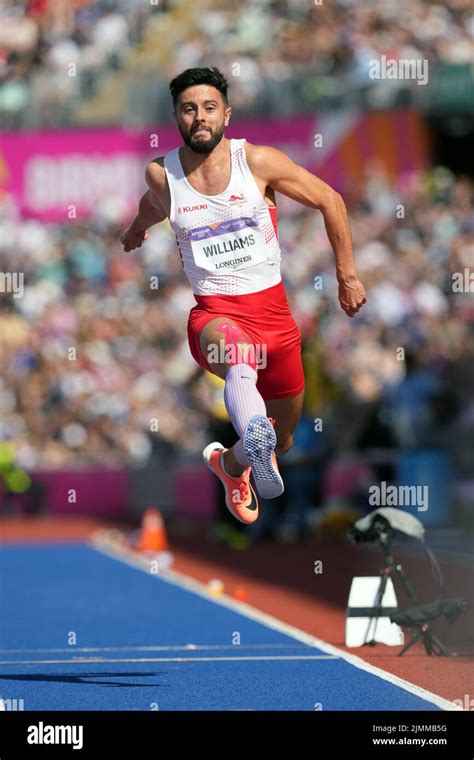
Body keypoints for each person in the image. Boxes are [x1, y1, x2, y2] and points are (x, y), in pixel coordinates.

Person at [120, 66, 366, 525]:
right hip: (214, 315)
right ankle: (252, 435)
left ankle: (231, 464)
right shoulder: (162, 175)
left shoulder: (257, 163)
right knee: (239, 356)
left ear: (226, 116)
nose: (199, 118)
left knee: (285, 438)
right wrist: (135, 231)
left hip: (276, 319)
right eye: (189, 109)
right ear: (176, 117)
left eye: (209, 108)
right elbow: (151, 206)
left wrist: (346, 276)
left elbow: (330, 200)